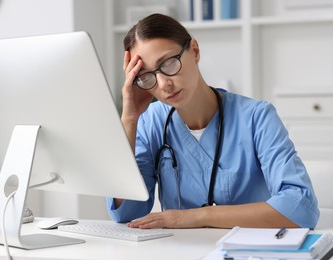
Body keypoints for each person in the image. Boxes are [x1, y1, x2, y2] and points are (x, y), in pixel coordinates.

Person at [106, 13, 319, 229]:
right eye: (147, 76)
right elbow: (125, 211)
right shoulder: (151, 123)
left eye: (169, 63)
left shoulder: (257, 117)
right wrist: (129, 119)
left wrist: (196, 216)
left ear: (195, 51)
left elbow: (301, 208)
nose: (163, 84)